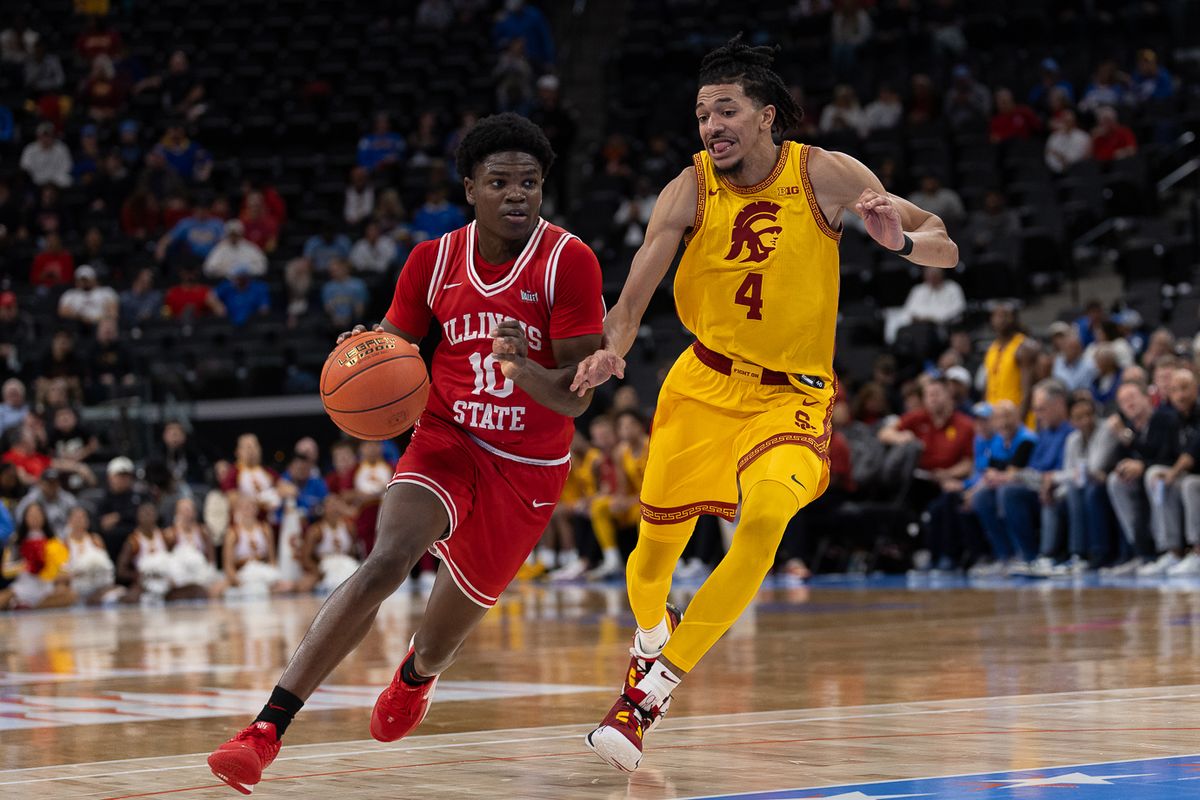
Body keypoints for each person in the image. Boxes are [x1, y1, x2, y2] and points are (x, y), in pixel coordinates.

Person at [569, 37, 958, 771]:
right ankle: (652, 638)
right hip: (701, 385)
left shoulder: (828, 174)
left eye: (725, 110)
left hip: (793, 398)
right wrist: (613, 346)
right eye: (700, 113)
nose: (710, 124)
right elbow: (635, 291)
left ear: (766, 117)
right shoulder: (688, 187)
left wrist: (899, 238)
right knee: (649, 564)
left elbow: (945, 243)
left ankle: (648, 695)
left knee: (767, 518)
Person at [207, 113, 605, 793]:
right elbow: (394, 351)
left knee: (441, 638)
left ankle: (417, 675)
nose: (518, 194)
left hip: (530, 470)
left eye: (531, 183)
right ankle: (265, 729)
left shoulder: (569, 261)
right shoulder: (432, 261)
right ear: (470, 187)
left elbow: (575, 397)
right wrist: (370, 351)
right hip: (447, 439)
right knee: (386, 559)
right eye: (501, 181)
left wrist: (525, 372)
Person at [20, 122, 72, 188]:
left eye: (48, 136)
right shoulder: (30, 149)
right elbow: (25, 168)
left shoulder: (61, 148)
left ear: (53, 136)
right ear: (38, 136)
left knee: (67, 180)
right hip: (36, 181)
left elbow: (67, 167)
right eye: (43, 136)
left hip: (56, 181)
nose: (45, 139)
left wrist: (52, 181)